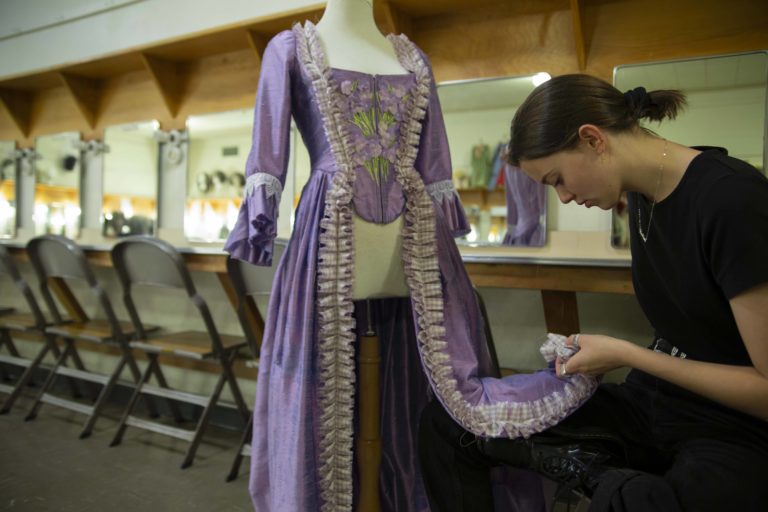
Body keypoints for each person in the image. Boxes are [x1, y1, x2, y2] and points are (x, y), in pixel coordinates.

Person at [418, 74, 768, 512]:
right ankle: (598, 476)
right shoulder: (643, 199)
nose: (563, 197)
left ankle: (603, 479)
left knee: (643, 501)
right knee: (449, 425)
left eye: (558, 178)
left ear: (592, 140)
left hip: (733, 427)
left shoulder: (730, 198)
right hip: (654, 403)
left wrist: (626, 353)